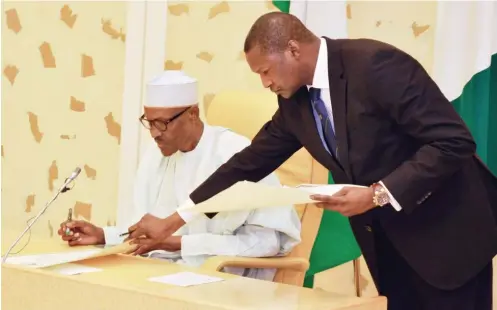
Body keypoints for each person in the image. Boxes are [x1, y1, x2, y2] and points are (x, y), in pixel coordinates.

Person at [126, 13, 497, 310]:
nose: (265, 84)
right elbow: (248, 164)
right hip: (389, 243)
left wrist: (377, 195)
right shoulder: (295, 102)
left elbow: (453, 140)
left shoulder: (376, 66)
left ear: (292, 49)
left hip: (449, 235)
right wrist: (175, 219)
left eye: (266, 71)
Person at [58, 70, 301, 281]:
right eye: (149, 122)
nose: (154, 133)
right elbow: (152, 231)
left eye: (163, 123)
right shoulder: (157, 157)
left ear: (192, 114)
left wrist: (177, 244)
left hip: (222, 278)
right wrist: (103, 235)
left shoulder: (235, 155)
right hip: (164, 270)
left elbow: (267, 243)